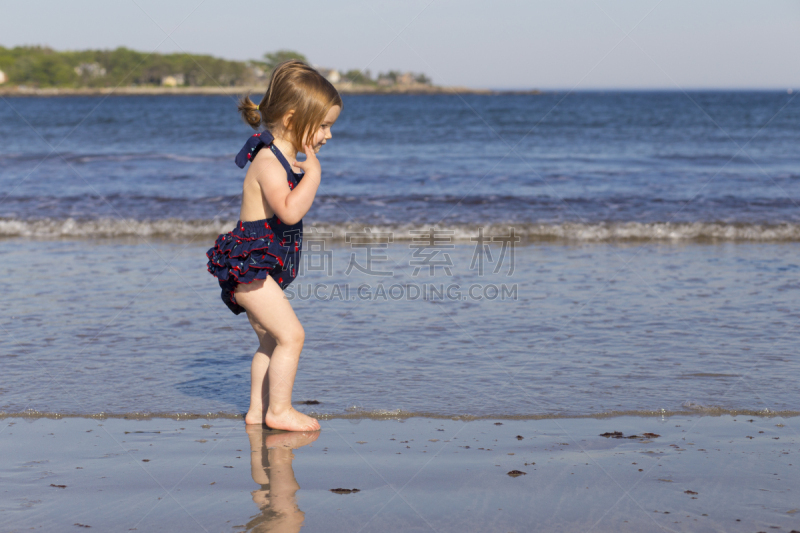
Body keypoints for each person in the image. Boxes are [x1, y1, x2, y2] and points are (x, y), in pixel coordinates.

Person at [206, 60, 342, 431]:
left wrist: (301, 170)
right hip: (251, 268)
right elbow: (289, 212)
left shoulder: (282, 159)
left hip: (257, 267)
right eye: (325, 125)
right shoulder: (268, 161)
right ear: (292, 119)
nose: (328, 136)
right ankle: (279, 411)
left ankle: (257, 410)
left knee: (270, 341)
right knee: (292, 336)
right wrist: (313, 176)